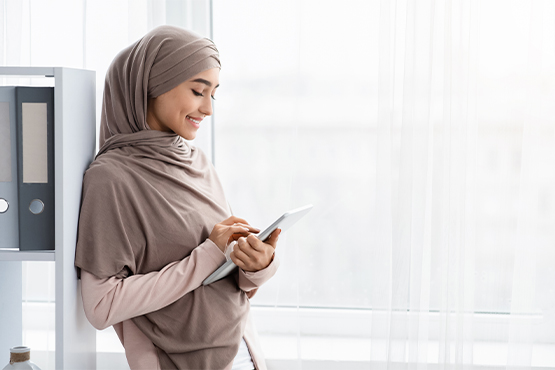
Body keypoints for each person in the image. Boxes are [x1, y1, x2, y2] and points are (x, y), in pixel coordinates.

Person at [74, 25, 280, 370]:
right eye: (199, 91)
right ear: (151, 87)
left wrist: (257, 267)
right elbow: (101, 306)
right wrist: (208, 254)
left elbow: (225, 275)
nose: (208, 109)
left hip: (243, 353)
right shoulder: (109, 179)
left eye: (213, 94)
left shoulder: (197, 160)